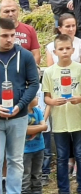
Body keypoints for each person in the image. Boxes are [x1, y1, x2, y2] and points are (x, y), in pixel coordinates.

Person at [42, 34, 81, 194]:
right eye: (61, 49)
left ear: (73, 50)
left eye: (67, 48)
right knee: (62, 157)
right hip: (60, 120)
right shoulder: (49, 72)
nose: (64, 52)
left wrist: (80, 98)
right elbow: (46, 97)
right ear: (54, 52)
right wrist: (53, 102)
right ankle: (64, 190)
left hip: (79, 118)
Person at [0, 17, 39, 194]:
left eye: (12, 35)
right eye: (4, 35)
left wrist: (21, 105)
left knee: (16, 160)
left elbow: (33, 83)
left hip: (19, 116)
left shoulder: (25, 55)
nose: (9, 39)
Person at [0, 0, 41, 64]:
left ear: (18, 11)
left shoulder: (29, 29)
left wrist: (31, 70)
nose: (10, 14)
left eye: (13, 11)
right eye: (6, 11)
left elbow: (36, 54)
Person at [22, 96, 47, 194]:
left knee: (37, 174)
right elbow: (24, 129)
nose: (37, 98)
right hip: (25, 151)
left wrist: (32, 128)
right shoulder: (21, 114)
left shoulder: (38, 111)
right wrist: (39, 127)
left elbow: (45, 126)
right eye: (34, 96)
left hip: (39, 148)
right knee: (25, 176)